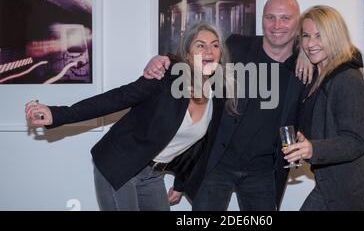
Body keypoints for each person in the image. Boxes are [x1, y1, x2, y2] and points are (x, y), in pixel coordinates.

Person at [25, 22, 236, 211]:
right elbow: (118, 98)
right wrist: (58, 114)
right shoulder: (166, 77)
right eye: (200, 45)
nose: (209, 51)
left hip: (153, 176)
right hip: (120, 164)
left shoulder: (217, 94)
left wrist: (182, 183)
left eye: (215, 45)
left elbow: (200, 147)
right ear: (188, 54)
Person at [143, 0, 313, 211]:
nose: (277, 25)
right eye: (270, 17)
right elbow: (195, 60)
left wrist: (305, 52)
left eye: (285, 18)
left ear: (297, 22)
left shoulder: (305, 65)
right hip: (217, 164)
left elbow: (348, 56)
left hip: (263, 171)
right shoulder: (236, 46)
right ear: (262, 19)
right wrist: (164, 60)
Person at [283, 5, 364, 210]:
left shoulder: (347, 78)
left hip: (353, 191)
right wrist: (305, 141)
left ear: (334, 36)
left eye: (319, 36)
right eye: (306, 36)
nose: (311, 43)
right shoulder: (318, 75)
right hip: (329, 184)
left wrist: (313, 148)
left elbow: (355, 142)